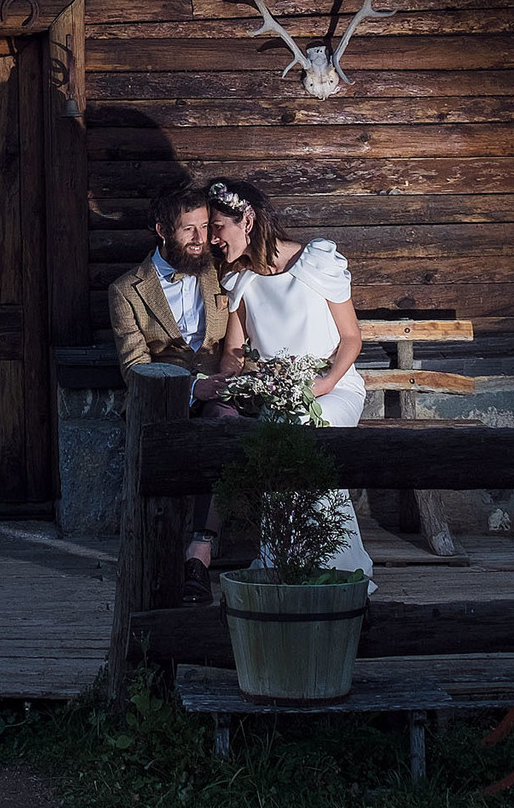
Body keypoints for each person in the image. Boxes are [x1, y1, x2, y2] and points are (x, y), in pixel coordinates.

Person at [206, 175, 374, 581]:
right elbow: (234, 351)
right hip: (282, 396)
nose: (212, 239)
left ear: (246, 220)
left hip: (334, 389)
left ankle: (335, 564)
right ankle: (288, 561)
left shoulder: (317, 262)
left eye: (217, 227)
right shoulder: (241, 281)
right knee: (283, 427)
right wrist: (235, 380)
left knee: (300, 428)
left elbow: (352, 338)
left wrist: (325, 384)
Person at [108, 181, 238, 605]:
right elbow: (134, 367)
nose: (202, 240)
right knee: (173, 440)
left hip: (222, 388)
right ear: (162, 230)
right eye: (190, 230)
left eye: (205, 227)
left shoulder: (223, 271)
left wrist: (226, 382)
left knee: (224, 427)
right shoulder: (127, 290)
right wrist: (192, 389)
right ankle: (162, 553)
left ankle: (199, 554)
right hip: (164, 396)